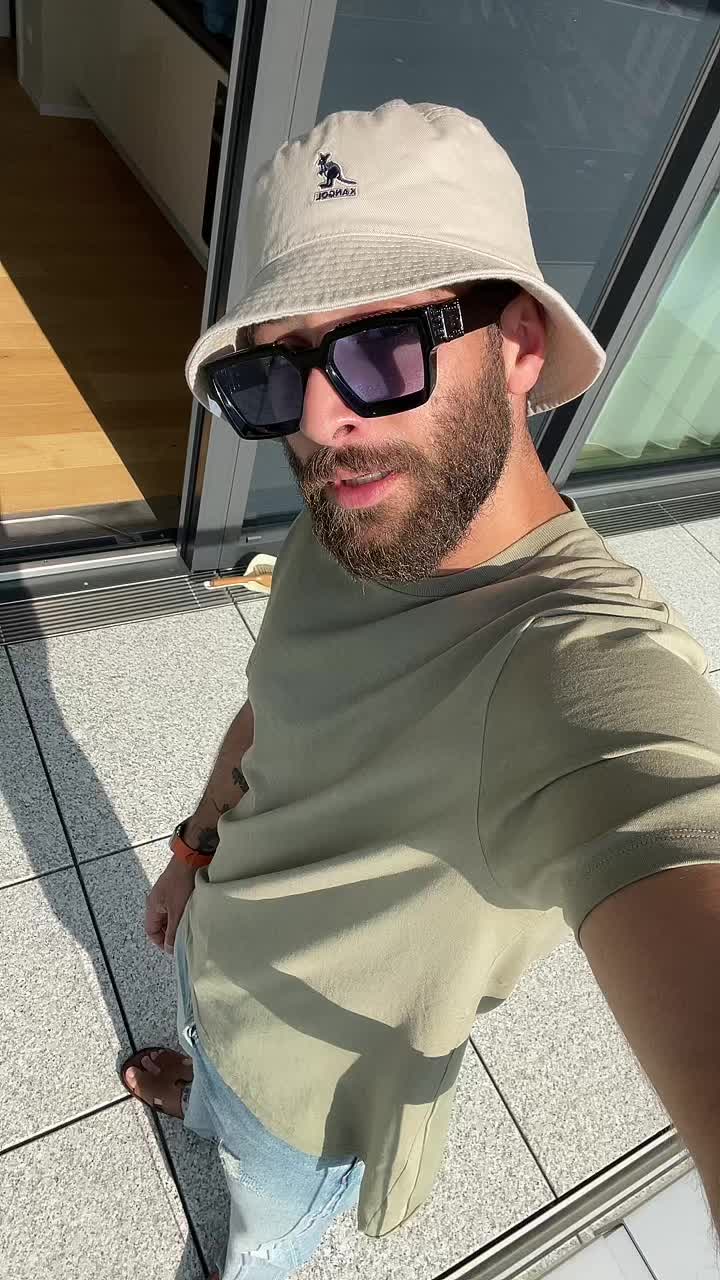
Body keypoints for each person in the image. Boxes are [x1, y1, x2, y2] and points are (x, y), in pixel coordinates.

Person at [122, 100, 720, 1279]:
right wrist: (192, 846)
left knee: (258, 1236)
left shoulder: (573, 664)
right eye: (276, 371)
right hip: (211, 953)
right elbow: (273, 702)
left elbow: (662, 822)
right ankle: (202, 1093)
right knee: (214, 1090)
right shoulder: (348, 517)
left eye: (383, 346)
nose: (322, 418)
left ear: (520, 346)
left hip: (308, 1098)